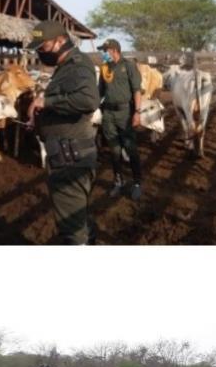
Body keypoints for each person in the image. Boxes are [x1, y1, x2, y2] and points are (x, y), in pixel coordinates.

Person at [26, 20, 101, 244]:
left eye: (43, 47)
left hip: (70, 158)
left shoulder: (77, 64)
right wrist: (41, 118)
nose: (40, 52)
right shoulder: (66, 67)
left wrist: (46, 102)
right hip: (70, 153)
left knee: (71, 231)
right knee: (78, 218)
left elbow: (88, 100)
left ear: (60, 41)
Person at [97, 39, 144, 201]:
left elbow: (137, 90)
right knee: (114, 150)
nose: (103, 53)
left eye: (105, 50)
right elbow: (99, 94)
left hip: (125, 112)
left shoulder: (129, 66)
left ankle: (137, 182)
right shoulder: (104, 69)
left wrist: (137, 112)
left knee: (130, 148)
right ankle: (118, 181)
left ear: (114, 50)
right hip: (108, 113)